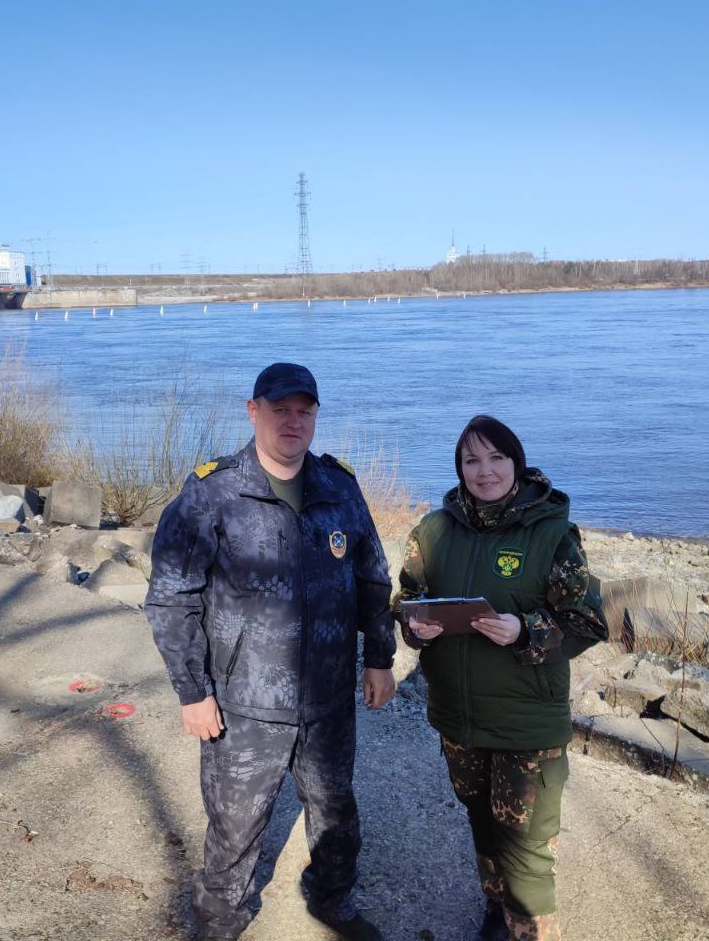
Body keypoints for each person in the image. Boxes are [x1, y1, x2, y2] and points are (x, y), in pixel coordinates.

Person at [145, 362, 396, 941]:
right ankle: (218, 923)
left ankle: (333, 903)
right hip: (243, 706)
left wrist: (380, 658)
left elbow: (372, 579)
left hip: (329, 699)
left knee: (337, 816)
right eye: (280, 409)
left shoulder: (340, 487)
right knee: (234, 831)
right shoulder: (212, 492)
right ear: (253, 411)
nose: (293, 421)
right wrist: (193, 693)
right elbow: (170, 598)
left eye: (304, 411)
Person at [393, 415, 608, 941]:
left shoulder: (553, 533)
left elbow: (588, 623)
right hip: (459, 717)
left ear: (517, 463)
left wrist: (524, 630)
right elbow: (405, 602)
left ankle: (531, 929)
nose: (484, 471)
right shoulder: (434, 530)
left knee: (528, 847)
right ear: (459, 468)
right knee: (484, 826)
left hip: (526, 722)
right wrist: (416, 628)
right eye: (471, 460)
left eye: (495, 458)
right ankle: (498, 916)